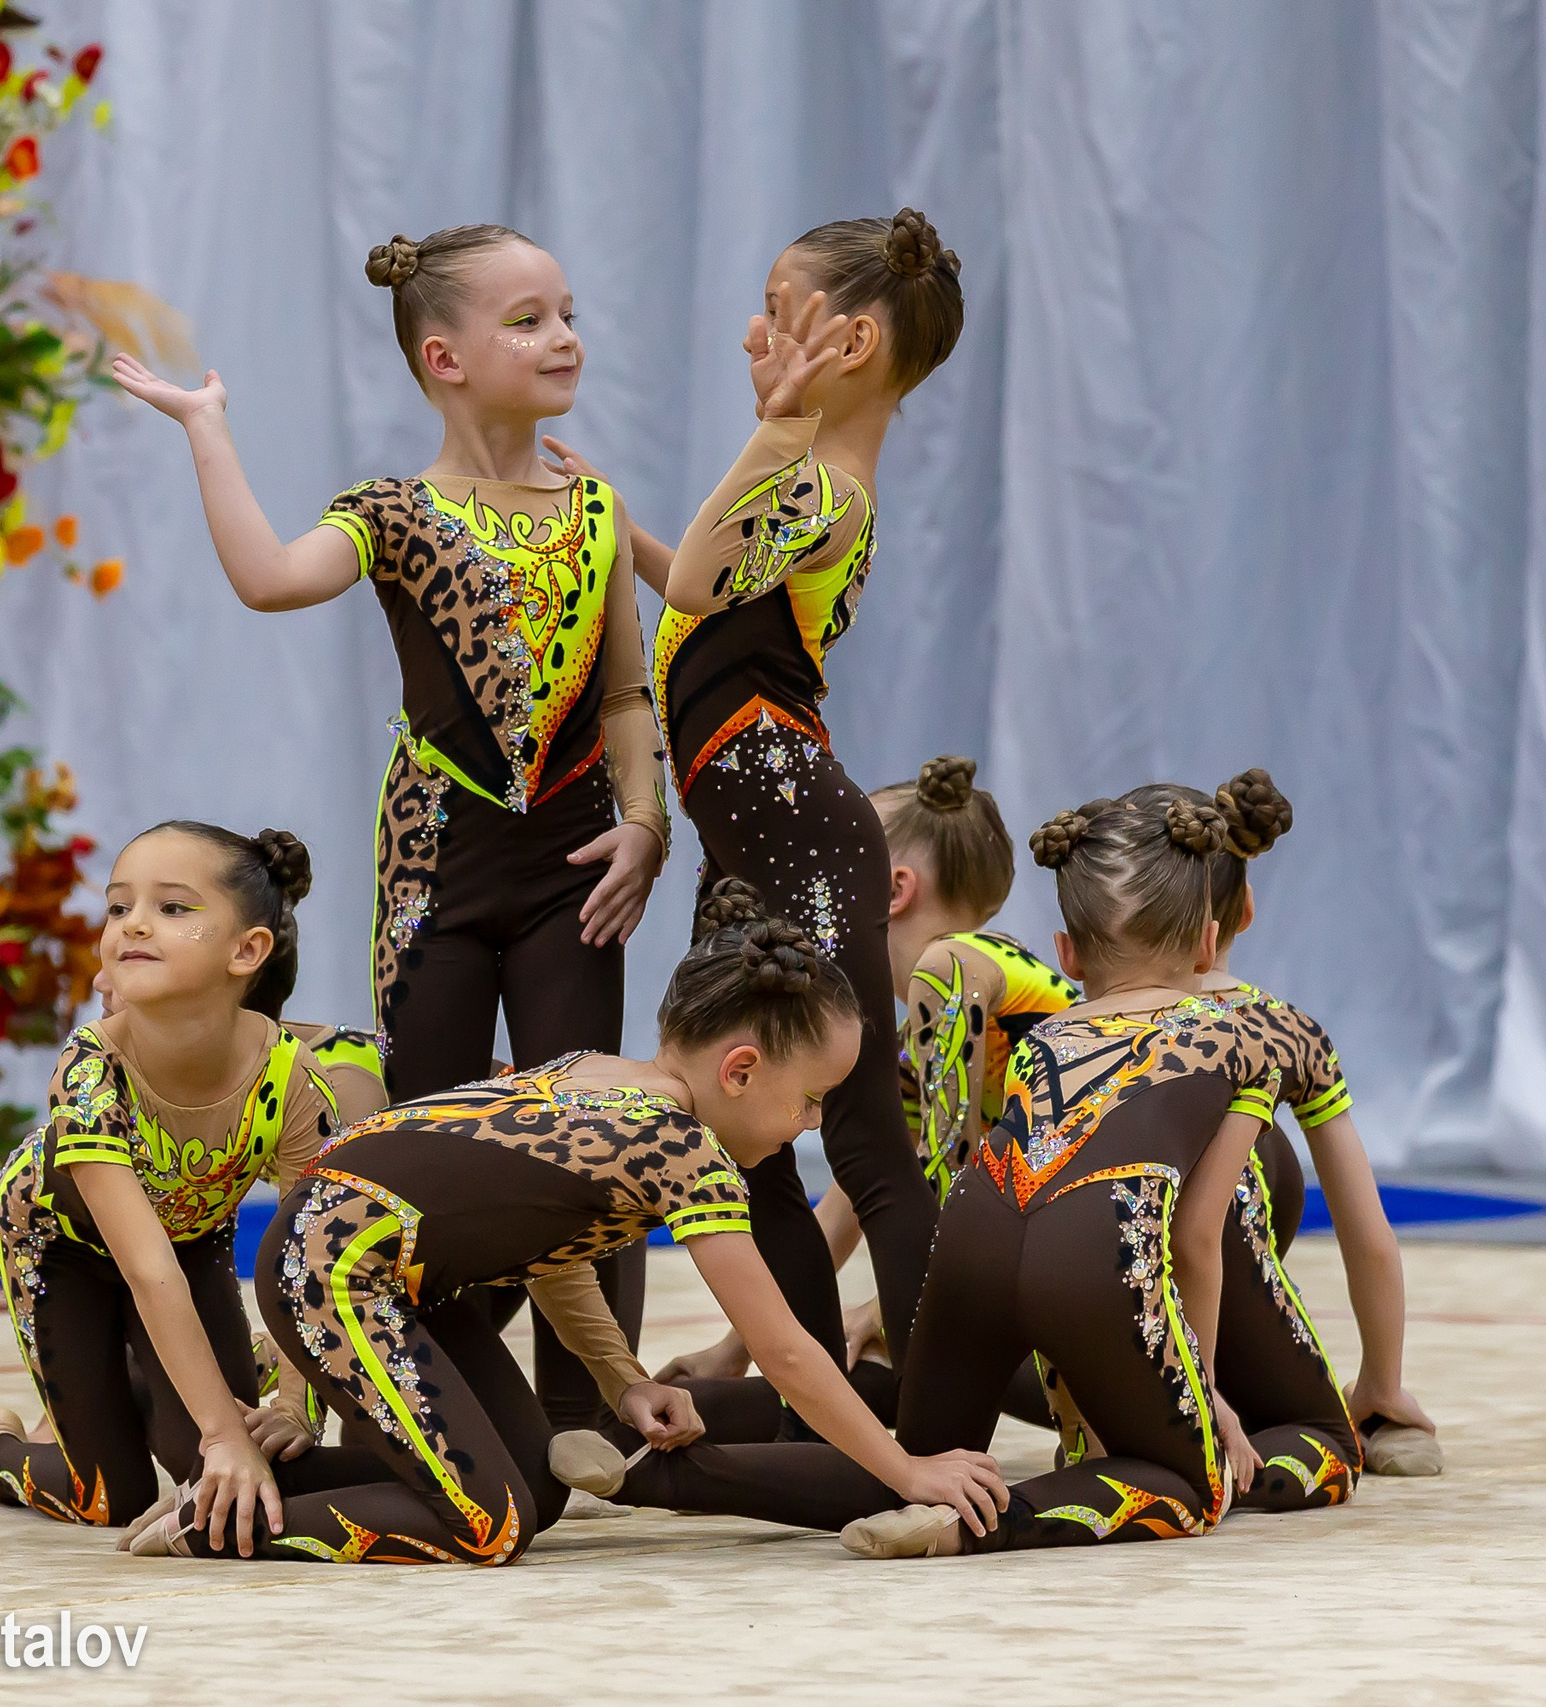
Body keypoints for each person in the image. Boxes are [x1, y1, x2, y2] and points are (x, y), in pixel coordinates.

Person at [112, 223, 671, 1430]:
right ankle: (438, 1380)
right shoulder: (395, 511)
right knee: (426, 1122)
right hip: (436, 863)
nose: (564, 335)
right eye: (527, 320)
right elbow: (267, 578)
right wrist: (209, 431)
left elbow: (625, 690)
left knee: (586, 1120)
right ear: (444, 356)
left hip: (578, 862)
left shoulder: (596, 507)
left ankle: (593, 1411)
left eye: (567, 311)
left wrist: (644, 821)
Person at [553, 791, 1355, 1558]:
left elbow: (925, 1164)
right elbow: (1195, 1234)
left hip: (977, 1221)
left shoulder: (1045, 1030)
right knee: (1200, 1480)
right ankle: (981, 1527)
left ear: (1068, 953)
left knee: (915, 1460)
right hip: (1093, 1238)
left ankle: (646, 1468)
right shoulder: (1234, 1025)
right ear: (1213, 942)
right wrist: (1200, 1393)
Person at [126, 884, 1009, 1564]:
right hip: (329, 1270)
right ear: (739, 1069)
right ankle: (215, 1522)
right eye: (811, 1100)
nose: (810, 1125)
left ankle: (261, 1488)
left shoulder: (598, 1069)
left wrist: (622, 1381)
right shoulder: (681, 1144)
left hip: (367, 1265)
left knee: (534, 1478)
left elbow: (543, 1248)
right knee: (492, 1522)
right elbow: (781, 1348)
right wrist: (909, 1473)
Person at [586, 208, 969, 1377]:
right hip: (757, 838)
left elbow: (702, 586)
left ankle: (928, 1404)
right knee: (747, 1137)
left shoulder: (825, 483)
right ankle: (813, 1386)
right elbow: (717, 594)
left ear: (846, 344)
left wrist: (771, 428)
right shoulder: (810, 480)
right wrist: (622, 530)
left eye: (778, 305)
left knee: (861, 1137)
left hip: (796, 824)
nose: (755, 327)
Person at [651, 758, 1076, 1436]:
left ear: (891, 886)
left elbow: (955, 1192)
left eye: (835, 865)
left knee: (880, 1385)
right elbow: (861, 1196)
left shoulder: (949, 972)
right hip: (1083, 1257)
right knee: (859, 1387)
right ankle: (655, 1424)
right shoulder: (943, 1006)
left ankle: (649, 1450)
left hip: (1097, 1270)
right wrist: (737, 1348)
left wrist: (877, 1316)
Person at [0, 823, 363, 1533]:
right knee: (111, 1496)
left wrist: (296, 1404)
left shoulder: (294, 1079)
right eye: (119, 907)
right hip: (65, 1250)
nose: (134, 923)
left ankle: (140, 1383)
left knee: (225, 1479)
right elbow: (148, 1272)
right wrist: (222, 1433)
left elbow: (311, 1253)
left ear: (248, 950)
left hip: (190, 1237)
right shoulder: (89, 1070)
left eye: (173, 908)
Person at [1154, 768, 1439, 1478]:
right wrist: (1380, 1380)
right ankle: (1214, 1426)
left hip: (1100, 1299)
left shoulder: (1083, 1020)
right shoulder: (1286, 1031)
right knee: (1330, 1449)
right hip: (1227, 1287)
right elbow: (1366, 1233)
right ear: (1244, 909)